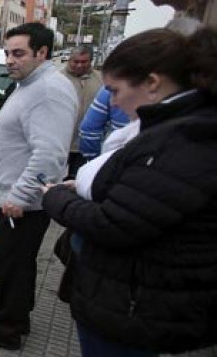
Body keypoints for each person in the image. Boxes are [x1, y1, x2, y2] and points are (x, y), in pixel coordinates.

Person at [41, 27, 217, 356]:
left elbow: (114, 224)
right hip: (136, 299)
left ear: (152, 83)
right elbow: (144, 198)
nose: (114, 103)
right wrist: (81, 185)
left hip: (135, 310)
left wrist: (56, 198)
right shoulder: (178, 127)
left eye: (115, 91)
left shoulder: (183, 139)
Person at [0, 22, 77, 351]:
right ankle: (11, 312)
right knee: (12, 264)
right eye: (7, 53)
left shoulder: (47, 92)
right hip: (12, 198)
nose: (9, 60)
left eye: (18, 53)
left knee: (12, 266)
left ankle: (6, 331)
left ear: (42, 53)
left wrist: (18, 196)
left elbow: (49, 156)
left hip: (20, 203)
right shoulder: (31, 82)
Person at [61, 46, 103, 177]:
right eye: (75, 61)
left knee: (77, 180)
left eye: (84, 62)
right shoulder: (58, 79)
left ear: (91, 61)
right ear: (69, 60)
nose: (79, 65)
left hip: (85, 145)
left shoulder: (101, 80)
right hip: (62, 143)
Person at [77, 86, 130, 160]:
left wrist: (95, 160)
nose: (113, 102)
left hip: (115, 159)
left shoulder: (111, 87)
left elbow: (88, 130)